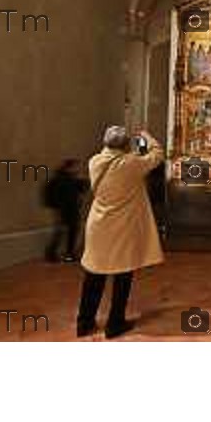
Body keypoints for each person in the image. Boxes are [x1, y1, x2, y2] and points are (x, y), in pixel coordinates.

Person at [77, 126, 164, 339]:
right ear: (125, 145)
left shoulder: (94, 162)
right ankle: (115, 323)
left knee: (93, 276)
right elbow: (157, 154)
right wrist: (144, 136)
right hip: (122, 228)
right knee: (122, 275)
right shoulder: (131, 164)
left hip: (98, 226)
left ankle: (84, 322)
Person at [44, 159, 88, 263]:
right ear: (69, 167)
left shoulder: (72, 179)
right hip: (63, 209)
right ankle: (53, 254)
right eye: (75, 167)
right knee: (62, 232)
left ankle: (68, 254)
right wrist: (55, 208)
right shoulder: (59, 179)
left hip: (71, 209)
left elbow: (83, 188)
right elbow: (50, 194)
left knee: (70, 231)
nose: (77, 169)